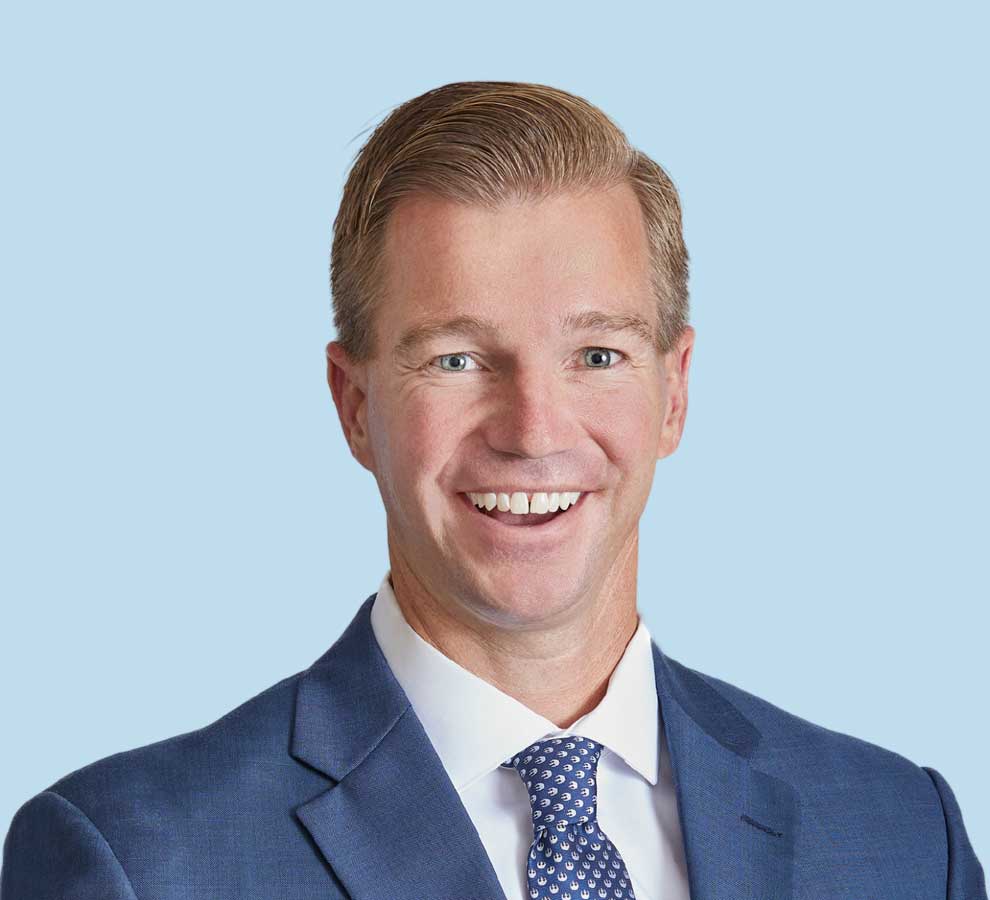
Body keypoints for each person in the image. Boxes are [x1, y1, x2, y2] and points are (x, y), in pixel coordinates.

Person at [1, 80, 984, 900]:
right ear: (354, 405)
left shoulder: (905, 837)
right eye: (458, 360)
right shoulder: (138, 860)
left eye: (597, 355)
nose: (533, 431)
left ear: (675, 392)